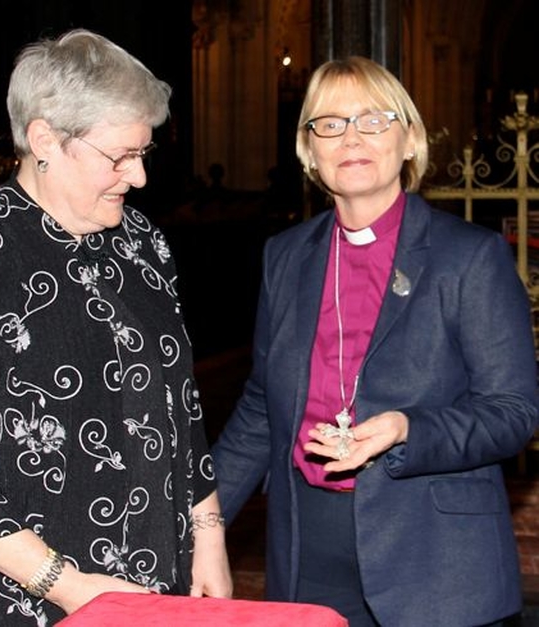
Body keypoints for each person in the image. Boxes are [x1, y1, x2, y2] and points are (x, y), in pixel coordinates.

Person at [0, 28, 232, 626]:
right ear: (44, 140)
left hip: (160, 579)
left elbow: (181, 409)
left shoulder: (143, 243)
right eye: (120, 156)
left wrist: (208, 538)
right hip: (31, 599)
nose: (138, 178)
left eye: (144, 154)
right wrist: (69, 587)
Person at [210, 55, 538, 627]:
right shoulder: (285, 257)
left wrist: (407, 429)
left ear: (409, 139)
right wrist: (201, 521)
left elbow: (513, 414)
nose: (352, 137)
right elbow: (262, 406)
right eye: (330, 124)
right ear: (310, 151)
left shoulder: (469, 257)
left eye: (374, 120)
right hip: (306, 555)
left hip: (434, 559)